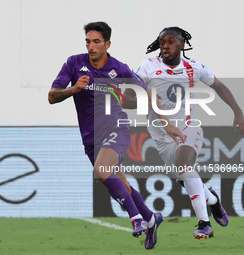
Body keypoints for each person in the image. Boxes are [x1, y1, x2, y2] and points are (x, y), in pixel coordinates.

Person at [48, 21, 163, 249]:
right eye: (88, 41)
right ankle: (151, 219)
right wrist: (73, 89)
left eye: (96, 42)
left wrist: (164, 122)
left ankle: (136, 219)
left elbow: (144, 94)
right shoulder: (74, 63)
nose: (91, 46)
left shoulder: (119, 68)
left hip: (115, 127)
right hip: (90, 137)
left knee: (101, 170)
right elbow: (52, 96)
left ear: (107, 44)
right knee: (120, 184)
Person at [136, 26, 244, 239]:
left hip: (188, 128)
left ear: (182, 44)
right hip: (161, 135)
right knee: (185, 177)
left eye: (171, 42)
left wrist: (238, 112)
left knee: (185, 166)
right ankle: (212, 199)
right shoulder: (148, 67)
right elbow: (134, 93)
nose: (165, 46)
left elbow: (220, 86)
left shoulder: (194, 67)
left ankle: (204, 223)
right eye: (162, 42)